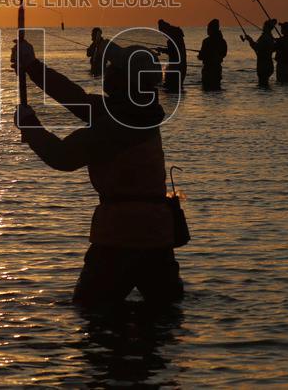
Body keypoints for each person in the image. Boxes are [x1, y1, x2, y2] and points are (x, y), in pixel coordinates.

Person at [12, 38, 183, 307]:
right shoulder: (143, 112)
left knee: (91, 313)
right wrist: (33, 67)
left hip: (118, 239)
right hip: (158, 237)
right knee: (162, 319)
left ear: (126, 81)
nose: (109, 74)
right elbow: (76, 99)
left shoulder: (116, 126)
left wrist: (30, 127)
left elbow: (62, 157)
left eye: (115, 70)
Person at [156, 19, 186, 94]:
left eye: (163, 32)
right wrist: (163, 49)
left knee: (170, 88)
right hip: (182, 66)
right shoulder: (178, 36)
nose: (163, 34)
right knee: (177, 87)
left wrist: (162, 50)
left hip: (176, 67)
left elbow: (172, 52)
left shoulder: (171, 40)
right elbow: (174, 51)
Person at [197, 19, 228, 91]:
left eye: (208, 28)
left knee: (207, 89)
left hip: (208, 71)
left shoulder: (206, 41)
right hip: (217, 70)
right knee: (217, 88)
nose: (207, 30)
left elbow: (201, 56)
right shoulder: (222, 41)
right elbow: (224, 54)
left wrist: (200, 55)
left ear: (212, 29)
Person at [245, 19, 276, 88]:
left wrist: (250, 40)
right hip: (269, 64)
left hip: (263, 65)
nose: (263, 27)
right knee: (266, 85)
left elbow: (256, 47)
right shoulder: (271, 38)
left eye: (264, 26)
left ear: (267, 27)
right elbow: (273, 49)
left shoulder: (265, 37)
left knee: (262, 85)